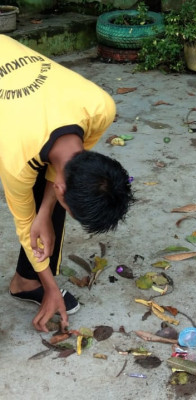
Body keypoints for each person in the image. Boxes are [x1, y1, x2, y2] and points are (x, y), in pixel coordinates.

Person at [0, 35, 135, 332]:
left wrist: (46, 212)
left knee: (50, 197)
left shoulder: (101, 108)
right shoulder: (16, 158)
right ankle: (33, 283)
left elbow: (60, 174)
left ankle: (25, 281)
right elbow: (26, 227)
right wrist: (50, 287)